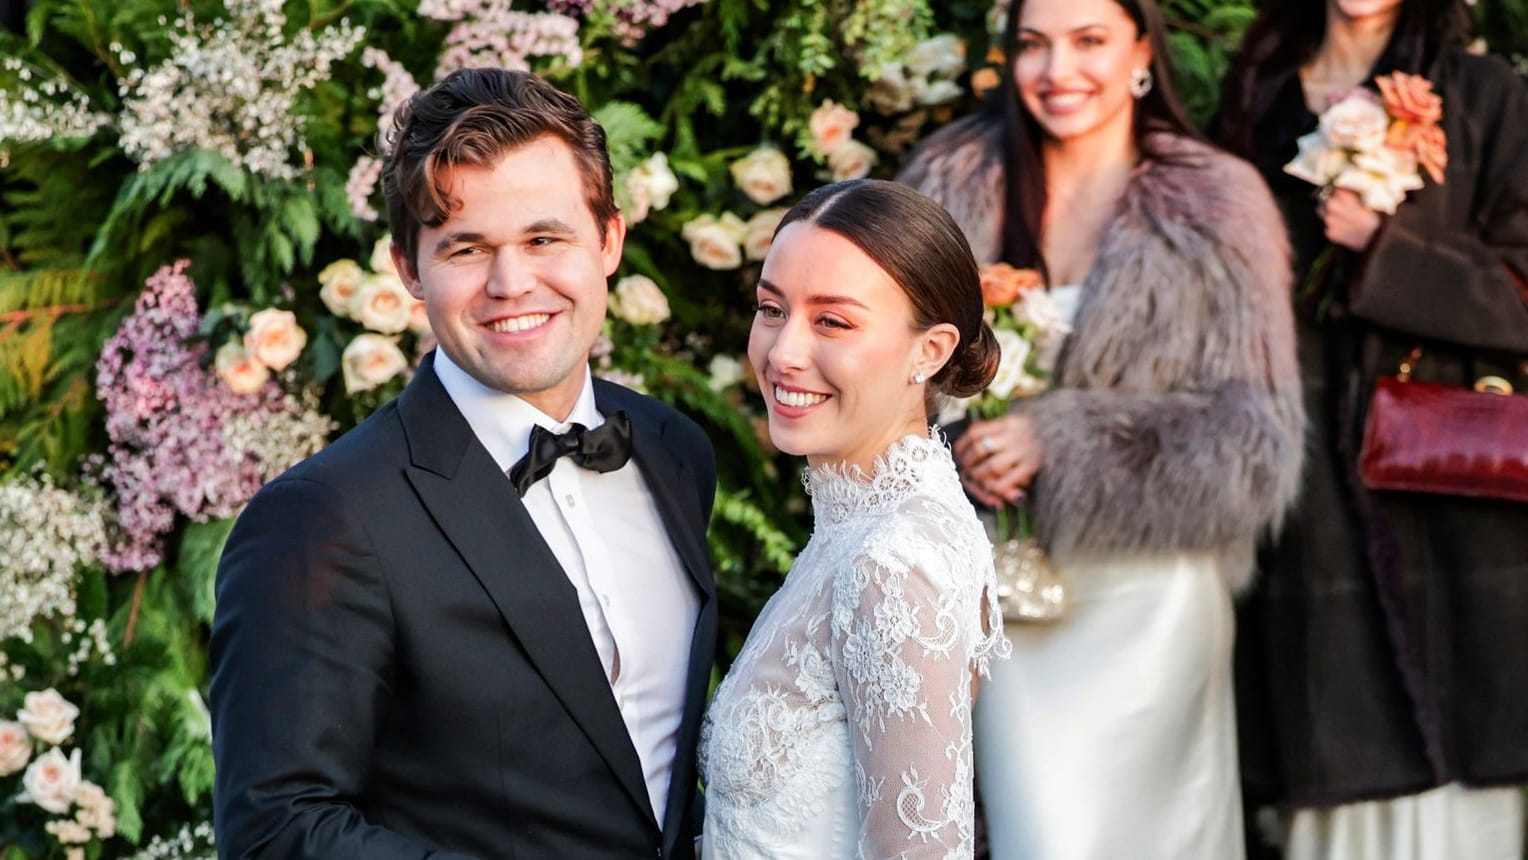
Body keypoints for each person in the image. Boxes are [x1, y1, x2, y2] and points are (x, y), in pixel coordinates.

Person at [208, 68, 718, 859]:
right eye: (467, 248)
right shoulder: (324, 516)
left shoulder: (674, 450)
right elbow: (277, 830)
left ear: (609, 240)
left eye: (546, 239)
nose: (512, 284)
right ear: (409, 269)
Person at [898, 0, 1305, 857]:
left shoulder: (1217, 203)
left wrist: (1062, 437)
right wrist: (957, 452)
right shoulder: (947, 183)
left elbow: (1256, 434)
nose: (1059, 72)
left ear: (1141, 53)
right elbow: (882, 375)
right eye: (1035, 46)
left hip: (1152, 597)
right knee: (1039, 832)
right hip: (997, 593)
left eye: (1089, 42)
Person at [1216, 0, 1528, 856]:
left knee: (1469, 745)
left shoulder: (1482, 92)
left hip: (1454, 484)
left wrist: (1389, 248)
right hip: (1306, 475)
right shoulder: (1259, 94)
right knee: (1334, 737)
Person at [697, 178, 1010, 858]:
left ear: (930, 351)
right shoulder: (857, 527)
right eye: (771, 309)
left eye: (832, 321)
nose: (783, 353)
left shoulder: (895, 558)